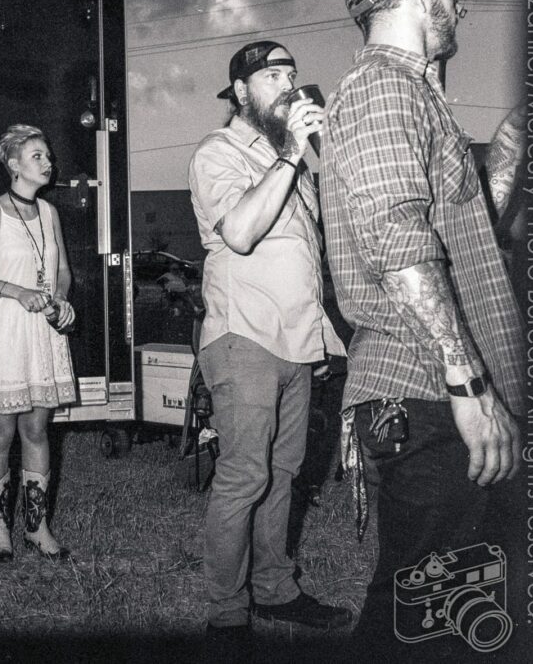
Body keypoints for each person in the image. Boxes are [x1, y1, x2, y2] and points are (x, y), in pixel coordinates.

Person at [320, 0, 524, 657]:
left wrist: (510, 151)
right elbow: (398, 241)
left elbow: (455, 235)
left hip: (439, 393)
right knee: (426, 613)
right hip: (428, 391)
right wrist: (469, 386)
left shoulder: (414, 96)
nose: (459, 4)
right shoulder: (384, 88)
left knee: (457, 604)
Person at [188, 41, 351, 648]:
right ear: (239, 91)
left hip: (297, 339)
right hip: (245, 336)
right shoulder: (219, 152)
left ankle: (276, 590)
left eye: (292, 73)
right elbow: (241, 232)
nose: (288, 84)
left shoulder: (294, 162)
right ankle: (226, 612)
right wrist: (288, 156)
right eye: (272, 75)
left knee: (281, 475)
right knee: (243, 476)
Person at [0, 124, 76, 563]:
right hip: (6, 326)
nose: (48, 163)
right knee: (1, 431)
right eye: (37, 156)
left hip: (42, 330)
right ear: (13, 165)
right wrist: (17, 291)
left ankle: (37, 527)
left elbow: (62, 270)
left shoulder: (49, 213)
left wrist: (59, 298)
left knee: (36, 430)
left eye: (48, 156)